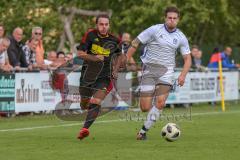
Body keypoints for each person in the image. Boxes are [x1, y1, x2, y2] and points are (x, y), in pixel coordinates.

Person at [125, 6, 192, 140]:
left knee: (161, 102)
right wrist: (124, 59)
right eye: (169, 18)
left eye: (174, 18)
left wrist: (183, 75)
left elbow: (187, 58)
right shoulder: (154, 29)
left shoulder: (181, 37)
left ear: (178, 20)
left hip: (167, 72)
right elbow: (135, 42)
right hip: (149, 69)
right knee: (145, 107)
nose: (172, 20)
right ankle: (148, 103)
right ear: (165, 18)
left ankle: (143, 132)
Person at [76, 14, 121, 140]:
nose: (104, 27)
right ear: (97, 25)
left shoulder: (115, 40)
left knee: (96, 101)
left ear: (109, 25)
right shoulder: (90, 35)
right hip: (87, 75)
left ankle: (84, 129)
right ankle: (85, 104)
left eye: (106, 24)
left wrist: (116, 70)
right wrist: (94, 58)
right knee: (84, 104)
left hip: (104, 77)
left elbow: (119, 57)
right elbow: (80, 54)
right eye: (101, 24)